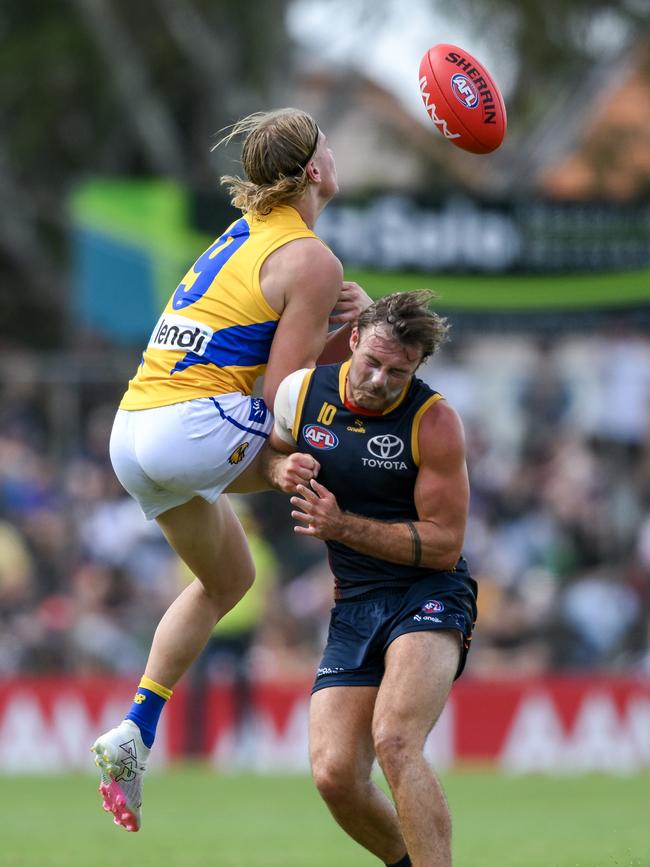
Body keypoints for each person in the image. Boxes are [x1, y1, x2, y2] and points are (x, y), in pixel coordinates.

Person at [90, 107, 371, 832]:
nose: (335, 155)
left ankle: (135, 729)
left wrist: (339, 341)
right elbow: (286, 395)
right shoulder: (313, 258)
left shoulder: (243, 232)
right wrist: (363, 333)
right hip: (190, 427)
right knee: (311, 448)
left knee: (230, 580)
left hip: (133, 433)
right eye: (329, 145)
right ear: (313, 171)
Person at [263, 290, 478, 867]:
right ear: (352, 341)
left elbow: (443, 545)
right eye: (372, 363)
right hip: (356, 600)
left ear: (416, 368)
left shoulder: (434, 422)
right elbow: (269, 453)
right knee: (335, 775)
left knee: (396, 741)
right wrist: (281, 466)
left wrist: (342, 526)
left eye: (397, 371)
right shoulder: (302, 392)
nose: (380, 380)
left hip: (429, 593)